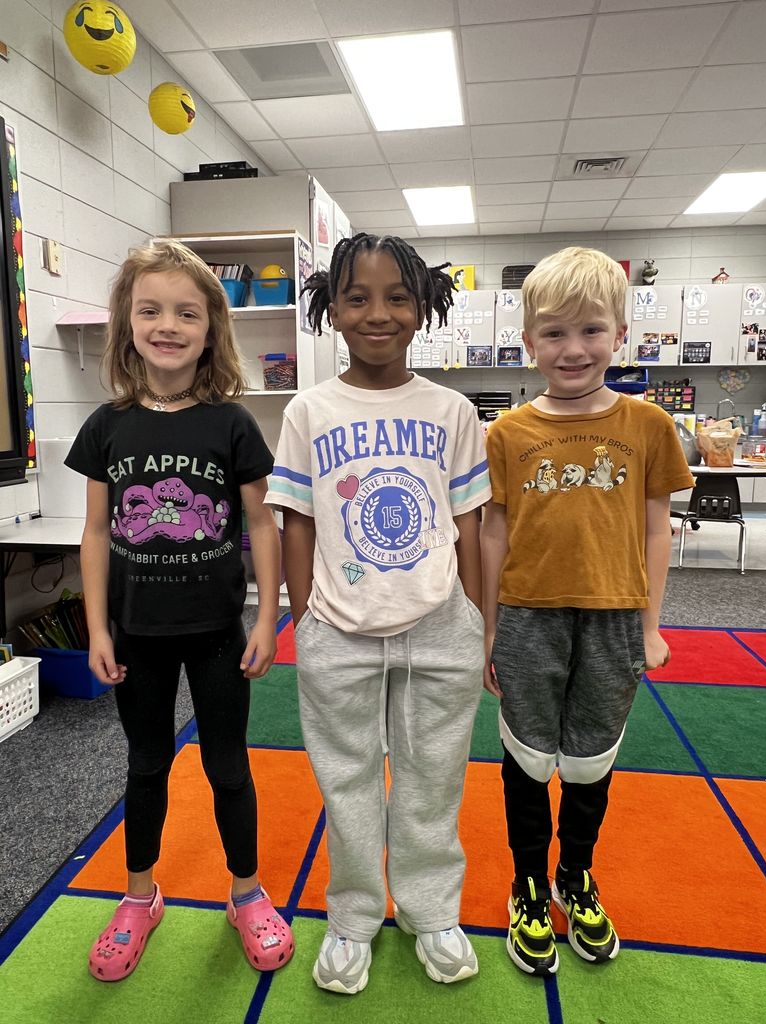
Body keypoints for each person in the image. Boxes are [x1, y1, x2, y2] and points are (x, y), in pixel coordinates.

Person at [265, 233, 490, 994]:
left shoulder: (453, 410)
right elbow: (295, 520)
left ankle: (431, 911)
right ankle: (355, 917)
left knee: (433, 780)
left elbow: (472, 525)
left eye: (397, 295)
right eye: (357, 296)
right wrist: (305, 619)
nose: (378, 313)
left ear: (424, 307)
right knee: (348, 783)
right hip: (339, 627)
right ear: (330, 309)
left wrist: (479, 621)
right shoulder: (309, 410)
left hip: (438, 624)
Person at [65, 240, 294, 981]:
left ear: (210, 328)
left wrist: (267, 619)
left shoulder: (231, 423)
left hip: (219, 634)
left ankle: (246, 892)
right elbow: (96, 532)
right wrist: (96, 627)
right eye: (151, 310)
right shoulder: (107, 426)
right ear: (126, 324)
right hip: (137, 635)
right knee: (145, 764)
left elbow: (263, 525)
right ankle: (139, 896)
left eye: (186, 312)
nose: (168, 324)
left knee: (230, 767)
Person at [480, 247, 695, 978]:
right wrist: (486, 628)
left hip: (612, 619)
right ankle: (529, 886)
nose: (573, 350)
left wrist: (650, 626)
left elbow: (656, 525)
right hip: (527, 618)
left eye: (591, 331)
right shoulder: (505, 433)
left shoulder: (647, 424)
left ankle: (576, 873)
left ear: (622, 333)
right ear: (528, 341)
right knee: (526, 757)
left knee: (590, 759)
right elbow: (493, 530)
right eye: (554, 333)